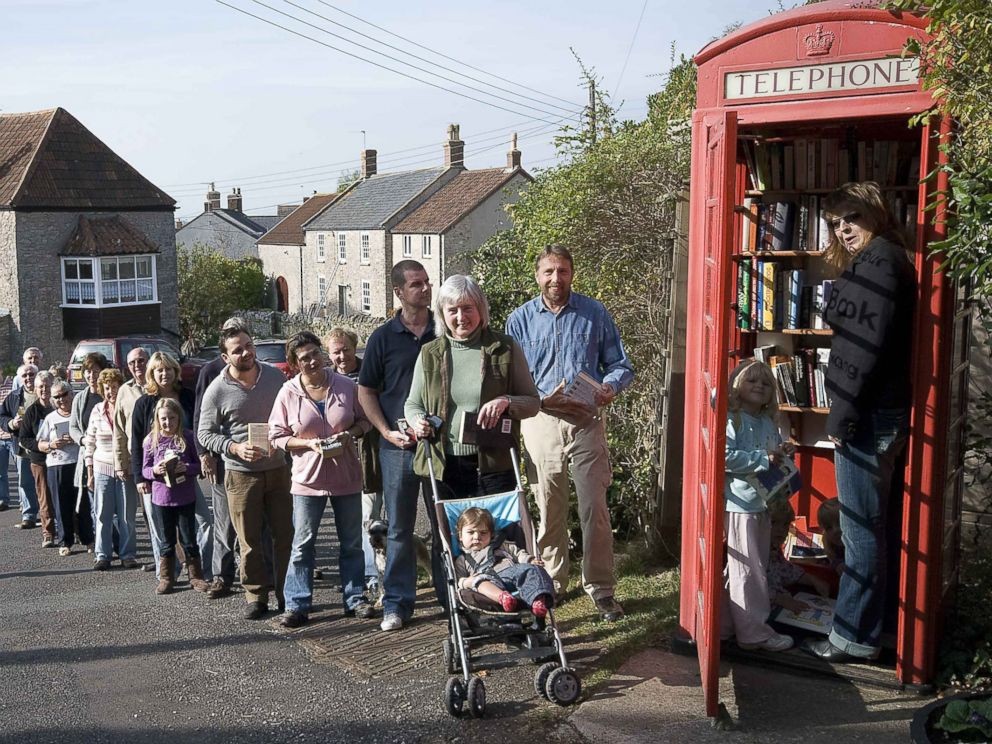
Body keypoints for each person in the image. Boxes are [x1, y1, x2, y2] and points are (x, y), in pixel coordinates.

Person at [802, 181, 916, 664]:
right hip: (876, 410)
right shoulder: (884, 260)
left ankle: (852, 637)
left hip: (867, 415)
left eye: (851, 217)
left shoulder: (881, 263)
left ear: (875, 212)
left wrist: (840, 419)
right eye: (835, 222)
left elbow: (862, 350)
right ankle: (879, 625)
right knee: (871, 528)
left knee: (859, 531)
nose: (843, 228)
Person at [505, 245, 634, 622]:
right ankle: (551, 582)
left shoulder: (594, 313)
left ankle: (602, 589)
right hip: (541, 421)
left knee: (594, 508)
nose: (555, 279)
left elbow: (620, 364)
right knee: (549, 508)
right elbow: (512, 377)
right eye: (548, 272)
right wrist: (541, 399)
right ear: (537, 276)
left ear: (572, 273)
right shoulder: (520, 320)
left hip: (586, 421)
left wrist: (609, 387)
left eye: (562, 271)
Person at [269, 331, 375, 627]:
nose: (313, 361)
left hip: (346, 476)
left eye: (315, 353)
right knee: (302, 543)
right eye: (304, 358)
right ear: (294, 364)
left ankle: (355, 599)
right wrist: (307, 444)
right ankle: (297, 604)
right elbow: (276, 436)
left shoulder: (345, 385)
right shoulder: (288, 393)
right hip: (307, 479)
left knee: (352, 542)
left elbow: (365, 421)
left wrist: (348, 435)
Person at [406, 274, 540, 499]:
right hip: (441, 465)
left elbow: (533, 403)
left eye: (468, 308)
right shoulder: (429, 353)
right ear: (442, 314)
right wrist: (417, 421)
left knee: (492, 535)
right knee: (447, 535)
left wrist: (506, 401)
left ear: (481, 308)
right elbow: (413, 403)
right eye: (453, 310)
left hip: (494, 467)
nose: (461, 317)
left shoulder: (505, 348)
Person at [358, 260, 437, 632]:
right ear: (398, 292)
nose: (424, 289)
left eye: (426, 283)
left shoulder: (445, 329)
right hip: (398, 448)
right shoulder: (382, 338)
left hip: (440, 446)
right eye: (416, 284)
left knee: (445, 524)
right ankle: (397, 603)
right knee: (399, 528)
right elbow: (365, 391)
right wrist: (385, 431)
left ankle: (452, 596)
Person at [198, 324, 293, 620]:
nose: (246, 352)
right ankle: (256, 595)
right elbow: (204, 434)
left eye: (249, 345)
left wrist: (285, 440)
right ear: (225, 357)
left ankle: (287, 594)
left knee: (285, 536)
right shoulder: (216, 390)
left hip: (279, 470)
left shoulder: (276, 377)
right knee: (249, 540)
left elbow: (292, 414)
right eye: (237, 349)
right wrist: (234, 448)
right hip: (240, 474)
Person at [721, 359, 796, 652]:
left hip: (763, 502)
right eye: (752, 381)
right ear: (737, 385)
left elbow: (773, 454)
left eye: (765, 383)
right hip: (741, 503)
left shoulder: (767, 421)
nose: (759, 387)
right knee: (748, 569)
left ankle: (727, 626)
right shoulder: (731, 419)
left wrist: (782, 452)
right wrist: (763, 459)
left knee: (751, 567)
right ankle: (755, 634)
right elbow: (724, 457)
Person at [130, 352, 213, 584]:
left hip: (185, 478)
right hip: (156, 482)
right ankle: (166, 574)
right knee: (161, 530)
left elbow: (199, 430)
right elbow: (137, 443)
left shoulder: (187, 397)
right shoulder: (144, 403)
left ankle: (201, 571)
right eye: (159, 370)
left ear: (175, 371)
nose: (164, 374)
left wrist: (194, 464)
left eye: (168, 369)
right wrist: (140, 477)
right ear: (152, 374)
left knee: (204, 522)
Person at [326, 327, 382, 597]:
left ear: (355, 347)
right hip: (338, 463)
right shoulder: (326, 380)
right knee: (348, 523)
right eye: (336, 351)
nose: (342, 356)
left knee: (369, 519)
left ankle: (371, 575)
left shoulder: (369, 372)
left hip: (371, 457)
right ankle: (356, 575)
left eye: (346, 349)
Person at [141, 398, 206, 595]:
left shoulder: (187, 437)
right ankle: (167, 577)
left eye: (172, 418)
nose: (167, 422)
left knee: (189, 538)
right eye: (163, 419)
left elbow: (198, 466)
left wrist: (186, 468)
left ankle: (196, 576)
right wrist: (155, 470)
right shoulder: (151, 441)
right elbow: (144, 469)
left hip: (185, 496)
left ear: (179, 418)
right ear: (157, 420)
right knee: (166, 540)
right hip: (161, 498)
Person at [454, 507, 555, 618]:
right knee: (478, 581)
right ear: (460, 536)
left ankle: (537, 601)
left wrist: (529, 560)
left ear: (491, 534)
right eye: (471, 532)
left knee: (533, 569)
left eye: (483, 533)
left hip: (510, 573)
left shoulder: (501, 545)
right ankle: (503, 598)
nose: (477, 537)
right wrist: (467, 582)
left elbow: (518, 554)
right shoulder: (462, 560)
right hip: (487, 581)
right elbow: (459, 580)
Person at [86, 368, 139, 570]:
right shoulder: (97, 410)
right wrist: (90, 472)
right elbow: (89, 443)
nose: (111, 392)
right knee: (102, 514)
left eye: (114, 387)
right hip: (102, 467)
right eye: (107, 388)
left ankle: (128, 555)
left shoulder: (128, 407)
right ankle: (102, 555)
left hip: (126, 467)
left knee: (127, 515)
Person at [38, 380, 93, 555]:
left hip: (79, 463)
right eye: (57, 397)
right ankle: (65, 541)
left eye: (64, 394)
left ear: (71, 394)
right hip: (57, 465)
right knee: (62, 506)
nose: (62, 399)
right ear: (53, 400)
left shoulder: (80, 414)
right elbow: (40, 443)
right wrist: (52, 444)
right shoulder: (50, 418)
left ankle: (88, 539)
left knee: (83, 504)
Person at [114, 347, 151, 568]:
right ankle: (161, 558)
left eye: (141, 360)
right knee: (145, 512)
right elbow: (118, 430)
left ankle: (179, 558)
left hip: (162, 458)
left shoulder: (159, 384)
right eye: (132, 363)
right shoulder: (124, 392)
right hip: (137, 460)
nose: (137, 366)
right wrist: (120, 463)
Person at [70, 352, 111, 544]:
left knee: (111, 505)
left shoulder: (110, 394)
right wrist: (83, 440)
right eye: (87, 371)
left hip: (109, 456)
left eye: (95, 371)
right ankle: (98, 542)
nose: (91, 376)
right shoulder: (80, 398)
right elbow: (73, 427)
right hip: (87, 456)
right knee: (91, 500)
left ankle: (116, 543)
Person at [766, 498, 830, 614]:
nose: (781, 529)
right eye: (773, 522)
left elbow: (786, 570)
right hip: (761, 612)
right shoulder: (753, 551)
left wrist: (812, 579)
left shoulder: (773, 549)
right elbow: (750, 585)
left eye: (786, 524)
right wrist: (780, 599)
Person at [19, 371, 59, 548]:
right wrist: (40, 446)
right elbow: (24, 438)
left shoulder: (60, 405)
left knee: (65, 496)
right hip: (40, 460)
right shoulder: (31, 411)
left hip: (61, 459)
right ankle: (48, 533)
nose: (44, 389)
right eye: (40, 386)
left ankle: (71, 531)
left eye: (47, 385)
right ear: (35, 389)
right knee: (45, 499)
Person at [0, 363, 40, 528]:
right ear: (20, 378)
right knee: (25, 482)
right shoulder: (14, 396)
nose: (28, 378)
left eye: (31, 374)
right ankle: (29, 515)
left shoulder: (44, 392)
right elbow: (2, 416)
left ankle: (50, 516)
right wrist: (11, 424)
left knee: (46, 482)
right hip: (22, 446)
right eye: (25, 376)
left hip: (44, 446)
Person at [816, 498, 845, 573]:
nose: (835, 530)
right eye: (829, 528)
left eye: (840, 523)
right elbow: (834, 560)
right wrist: (838, 565)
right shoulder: (832, 547)